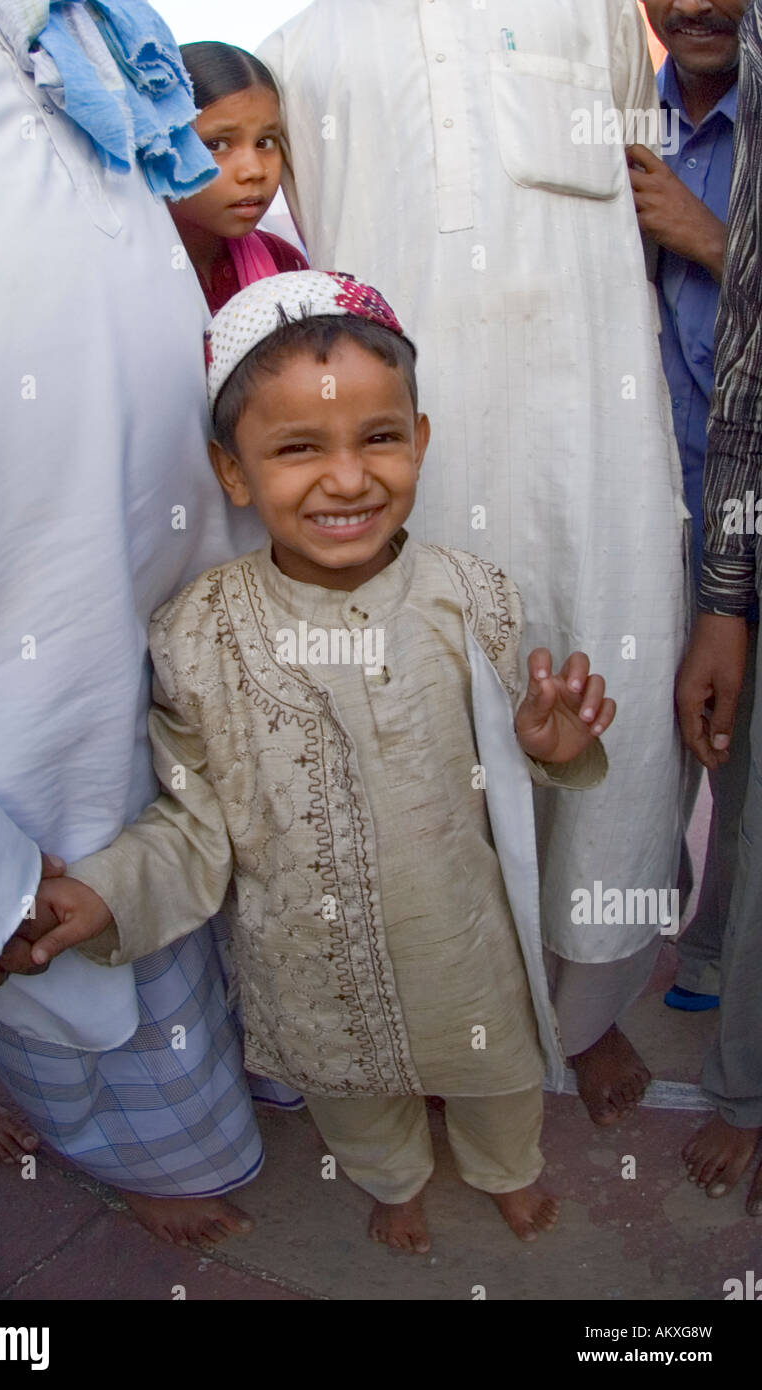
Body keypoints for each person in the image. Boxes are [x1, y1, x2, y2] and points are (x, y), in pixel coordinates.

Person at [27, 271, 616, 1252]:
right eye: (299, 449)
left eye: (378, 438)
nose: (347, 479)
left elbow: (522, 775)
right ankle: (395, 1181)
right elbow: (194, 821)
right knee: (353, 1095)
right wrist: (107, 896)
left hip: (459, 940)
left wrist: (552, 747)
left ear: (419, 443)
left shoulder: (473, 600)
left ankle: (505, 1168)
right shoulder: (197, 635)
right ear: (233, 471)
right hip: (309, 965)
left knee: (496, 1073)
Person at [0, 0, 297, 1251]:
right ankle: (76, 1139)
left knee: (203, 867)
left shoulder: (98, 26)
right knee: (50, 938)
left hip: (159, 619)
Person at [256, 1, 687, 1127]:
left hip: (594, 438)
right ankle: (462, 1020)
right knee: (430, 734)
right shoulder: (301, 49)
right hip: (415, 459)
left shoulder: (593, 8)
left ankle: (586, 1012)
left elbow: (638, 178)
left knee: (607, 692)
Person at [634, 0, 752, 1014]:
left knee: (744, 763)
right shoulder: (619, 115)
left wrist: (719, 244)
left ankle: (722, 962)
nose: (698, 3)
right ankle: (648, 945)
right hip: (646, 503)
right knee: (652, 737)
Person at [676, 0, 762, 1216]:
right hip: (676, 497)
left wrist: (714, 242)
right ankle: (705, 955)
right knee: (714, 758)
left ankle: (745, 1086)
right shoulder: (604, 121)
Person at [170, 42, 307, 312]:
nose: (254, 171)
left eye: (265, 142)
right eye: (216, 145)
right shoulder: (121, 274)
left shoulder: (285, 266)